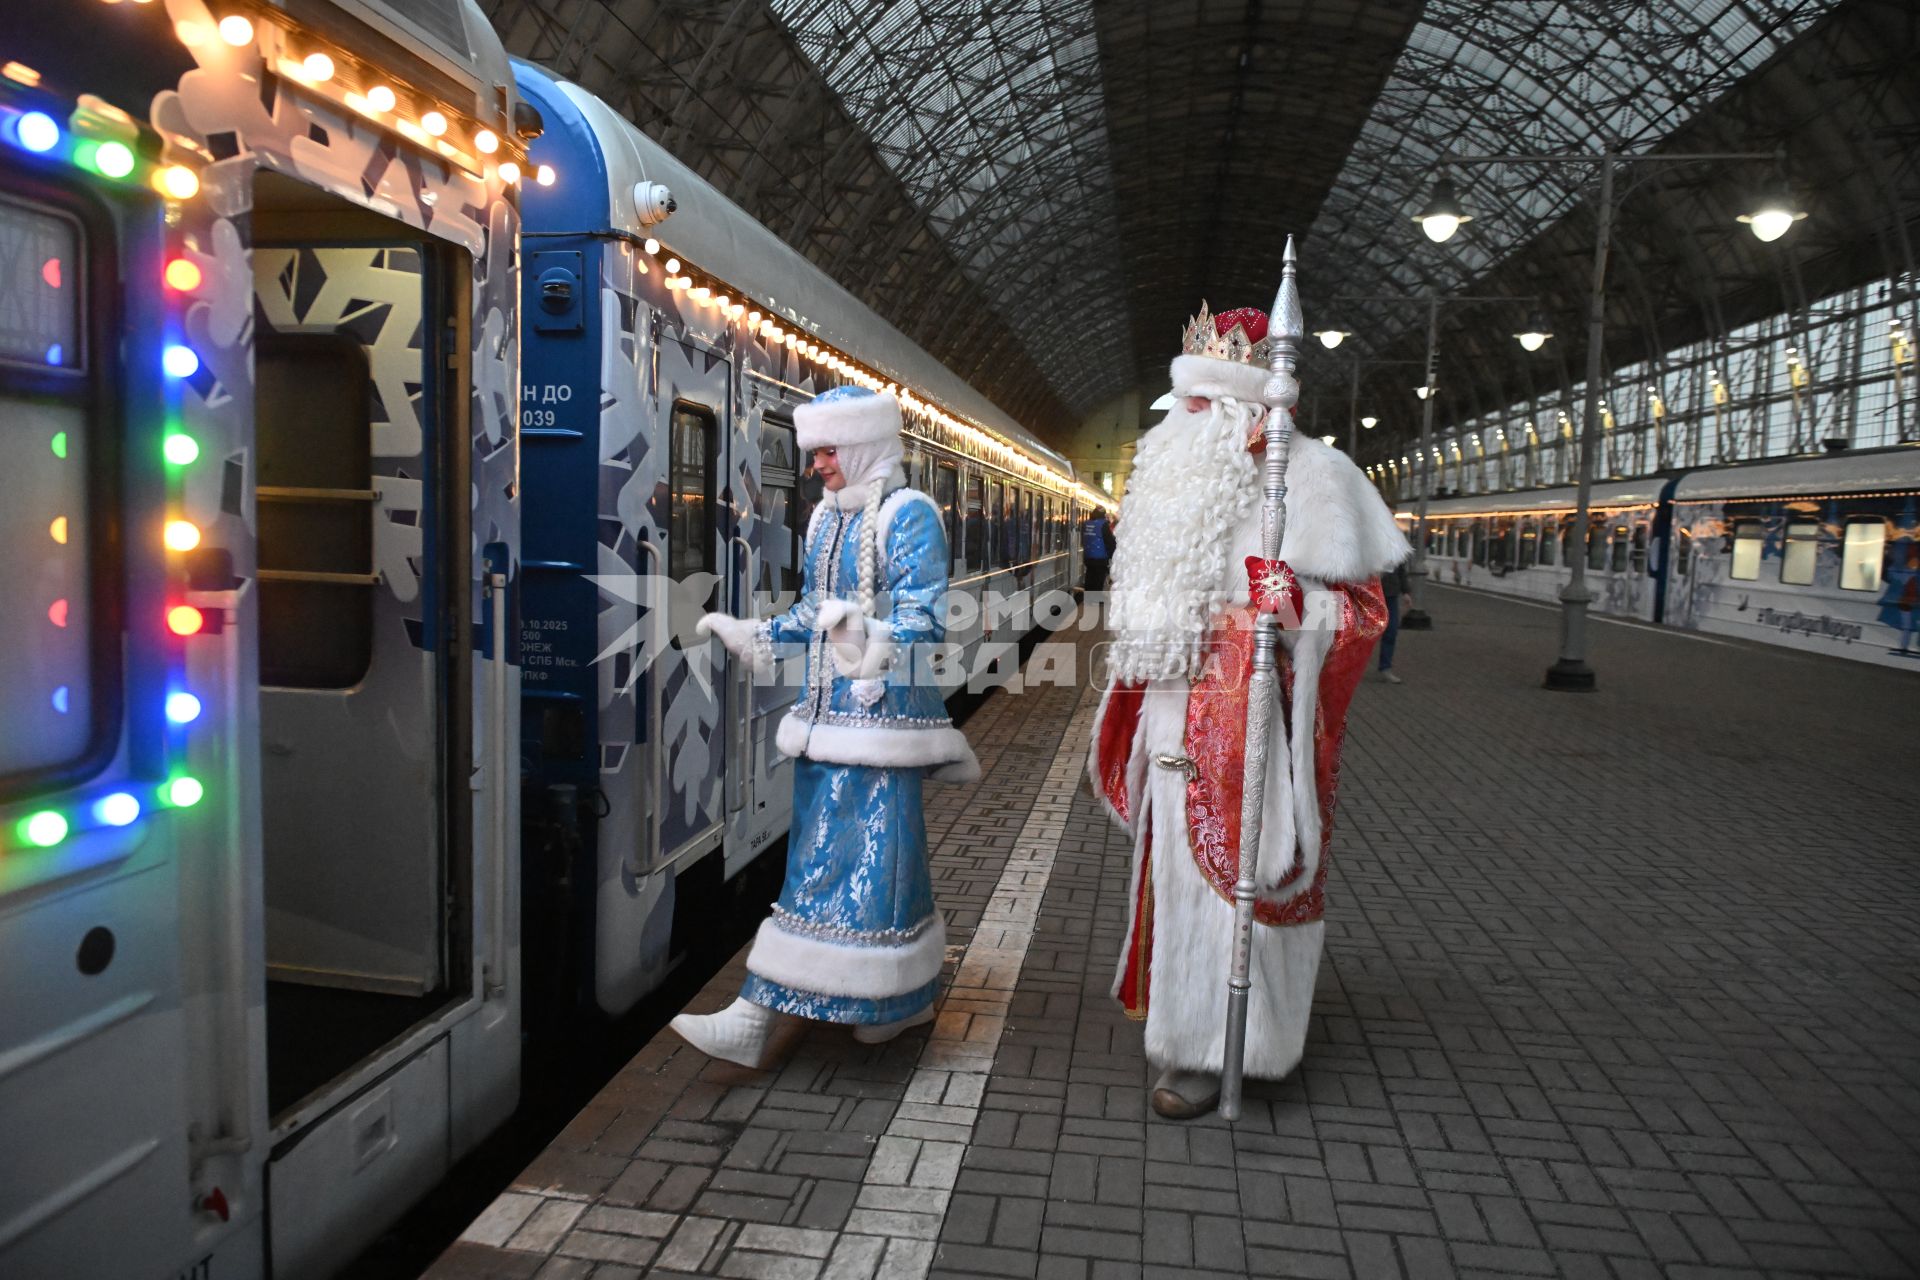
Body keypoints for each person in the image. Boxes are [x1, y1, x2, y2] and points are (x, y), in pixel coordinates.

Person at [1091, 301, 1409, 1119]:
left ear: (1247, 401)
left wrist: (1289, 599)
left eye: (1202, 402)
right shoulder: (1171, 476)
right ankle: (1174, 1016)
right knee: (1172, 872)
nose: (1184, 418)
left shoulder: (1312, 479)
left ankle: (1219, 1045)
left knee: (1235, 880)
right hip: (1171, 717)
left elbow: (1363, 614)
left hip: (1249, 733)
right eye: (1184, 401)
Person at [680, 387, 980, 1067]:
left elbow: (926, 617)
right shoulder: (825, 521)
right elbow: (814, 606)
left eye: (827, 449)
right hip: (823, 723)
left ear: (864, 444)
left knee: (848, 867)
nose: (816, 463)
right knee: (874, 867)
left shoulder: (909, 516)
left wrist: (863, 635)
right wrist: (759, 634)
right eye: (814, 451)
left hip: (881, 723)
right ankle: (895, 1004)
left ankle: (758, 1017)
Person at [1377, 559, 1410, 683]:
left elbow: (1401, 570)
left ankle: (1385, 667)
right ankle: (1352, 667)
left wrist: (1406, 592)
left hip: (1391, 594)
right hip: (1372, 593)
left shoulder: (1395, 545)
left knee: (1391, 631)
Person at [1081, 510, 1114, 593]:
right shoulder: (1103, 524)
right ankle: (1095, 601)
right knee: (1098, 581)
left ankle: (1089, 600)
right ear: (1103, 515)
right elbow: (1109, 541)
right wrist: (1112, 555)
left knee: (1089, 578)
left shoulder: (1086, 524)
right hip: (1100, 558)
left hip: (1088, 557)